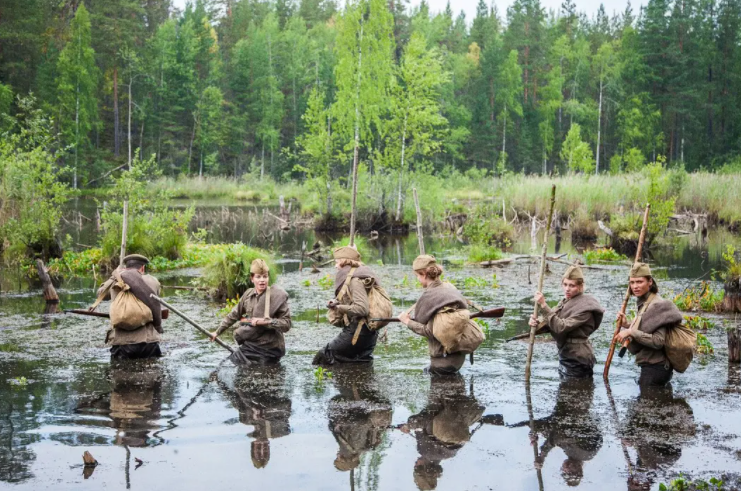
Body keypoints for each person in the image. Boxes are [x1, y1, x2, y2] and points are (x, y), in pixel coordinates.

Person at [511, 378, 603, 487]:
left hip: (569, 402)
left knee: (524, 425)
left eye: (564, 472)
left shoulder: (572, 453)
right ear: (579, 470)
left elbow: (557, 437)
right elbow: (558, 436)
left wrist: (537, 433)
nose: (565, 468)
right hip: (575, 400)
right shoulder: (585, 454)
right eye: (569, 471)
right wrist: (542, 455)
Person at [399, 374, 485, 490]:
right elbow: (423, 421)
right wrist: (408, 425)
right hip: (440, 392)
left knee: (454, 369)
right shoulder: (424, 451)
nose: (415, 464)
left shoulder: (451, 453)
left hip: (460, 398)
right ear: (422, 468)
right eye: (416, 468)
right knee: (440, 368)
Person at [398, 255, 473, 375]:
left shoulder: (429, 297)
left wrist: (407, 321)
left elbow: (428, 331)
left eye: (417, 275)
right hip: (458, 360)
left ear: (424, 274)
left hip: (441, 362)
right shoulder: (451, 289)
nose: (417, 279)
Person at [528, 265, 605, 379]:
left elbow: (560, 326)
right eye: (565, 284)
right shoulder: (565, 301)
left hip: (578, 358)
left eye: (572, 285)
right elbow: (551, 319)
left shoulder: (586, 307)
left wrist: (544, 305)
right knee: (564, 393)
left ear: (580, 286)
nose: (567, 289)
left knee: (577, 393)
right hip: (566, 353)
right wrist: (536, 322)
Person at [614, 262, 684, 387]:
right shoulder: (645, 301)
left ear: (650, 282)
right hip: (651, 366)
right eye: (632, 282)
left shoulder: (657, 306)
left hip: (657, 368)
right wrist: (627, 324)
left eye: (639, 282)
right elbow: (648, 326)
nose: (635, 286)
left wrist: (630, 332)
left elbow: (658, 342)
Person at [210, 259, 291, 365]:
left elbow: (287, 324)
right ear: (252, 278)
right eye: (258, 277)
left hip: (270, 348)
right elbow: (234, 315)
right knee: (230, 363)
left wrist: (266, 322)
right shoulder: (248, 295)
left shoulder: (277, 296)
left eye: (265, 276)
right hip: (252, 345)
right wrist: (217, 332)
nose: (262, 280)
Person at [312, 246, 380, 365]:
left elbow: (362, 309)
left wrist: (339, 307)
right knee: (357, 363)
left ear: (344, 262)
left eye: (337, 262)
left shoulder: (355, 280)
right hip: (369, 334)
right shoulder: (361, 275)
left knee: (324, 356)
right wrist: (337, 303)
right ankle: (360, 383)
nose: (335, 266)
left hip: (358, 332)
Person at [216, 365, 292, 469]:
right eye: (264, 451)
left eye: (258, 450)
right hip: (272, 372)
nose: (262, 447)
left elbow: (233, 396)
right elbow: (287, 404)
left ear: (253, 447)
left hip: (248, 373)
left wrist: (218, 380)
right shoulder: (280, 431)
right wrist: (267, 410)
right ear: (268, 449)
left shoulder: (245, 420)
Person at [96, 254, 163, 360]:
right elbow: (157, 302)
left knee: (120, 375)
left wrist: (114, 276)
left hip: (121, 344)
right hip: (149, 342)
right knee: (152, 373)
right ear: (142, 268)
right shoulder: (152, 281)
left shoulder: (115, 281)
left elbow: (100, 294)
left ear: (126, 267)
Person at [327, 365, 392, 473]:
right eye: (338, 458)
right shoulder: (356, 445)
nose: (337, 454)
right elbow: (363, 422)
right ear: (344, 458)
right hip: (363, 404)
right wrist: (343, 422)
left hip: (364, 406)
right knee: (352, 375)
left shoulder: (351, 446)